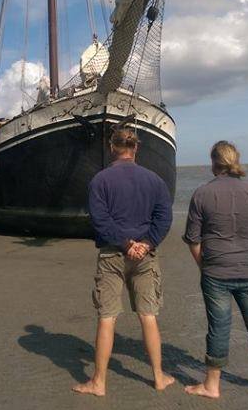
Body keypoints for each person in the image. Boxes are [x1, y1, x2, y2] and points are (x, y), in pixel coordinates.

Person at [72, 127, 175, 397]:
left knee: (107, 318)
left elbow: (100, 220)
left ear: (111, 147)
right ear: (135, 148)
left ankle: (99, 381)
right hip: (144, 255)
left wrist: (126, 243)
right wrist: (146, 244)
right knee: (148, 316)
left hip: (112, 254)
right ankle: (158, 376)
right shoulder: (155, 180)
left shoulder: (100, 180)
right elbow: (163, 218)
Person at [183, 141, 248, 399]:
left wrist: (204, 266)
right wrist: (247, 259)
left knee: (219, 327)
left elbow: (193, 239)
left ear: (213, 163)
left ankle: (212, 385)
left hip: (216, 271)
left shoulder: (201, 194)